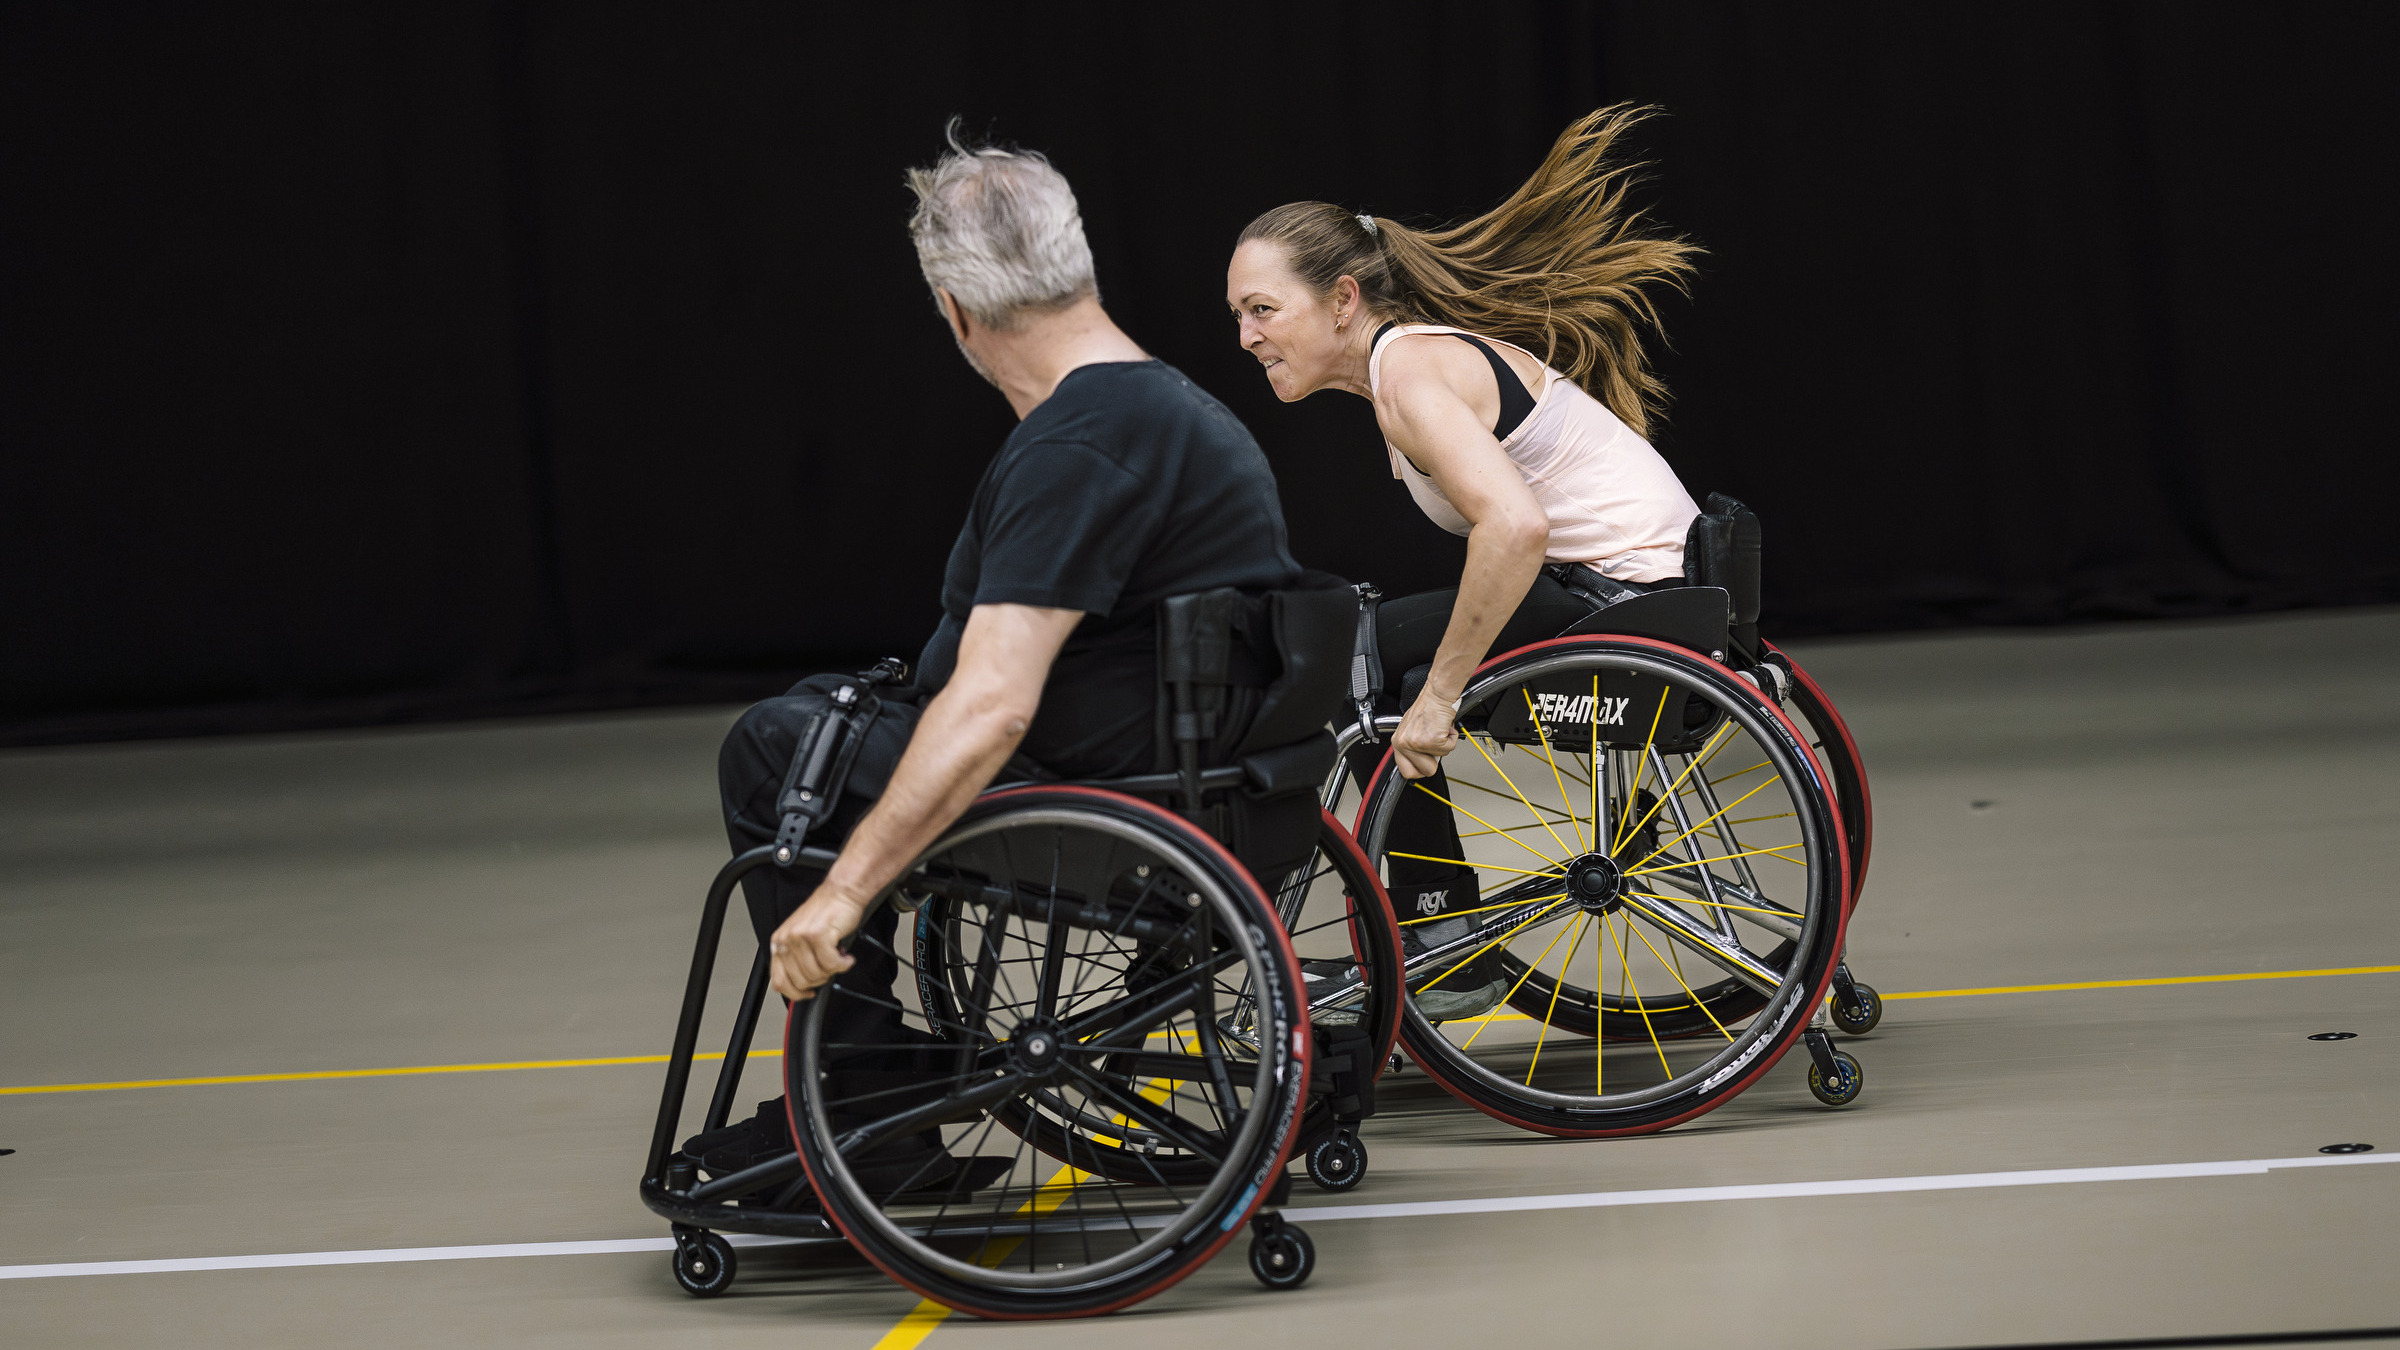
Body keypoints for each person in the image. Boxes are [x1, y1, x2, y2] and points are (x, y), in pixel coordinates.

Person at [694, 125, 1303, 1184]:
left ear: (956, 310)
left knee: (776, 751)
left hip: (1113, 811)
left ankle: (871, 1114)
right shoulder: (1172, 406)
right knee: (824, 719)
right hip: (1208, 789)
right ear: (1079, 267)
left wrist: (842, 898)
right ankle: (875, 1092)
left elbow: (991, 708)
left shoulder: (1080, 444)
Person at [1222, 105, 1703, 1019]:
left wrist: (1440, 697)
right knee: (1361, 649)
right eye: (1240, 314)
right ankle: (1432, 927)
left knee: (1356, 666)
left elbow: (1514, 529)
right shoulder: (1409, 369)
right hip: (1642, 591)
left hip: (1633, 606)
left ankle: (1440, 938)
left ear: (1342, 301)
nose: (1246, 336)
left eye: (1262, 310)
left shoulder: (1411, 375)